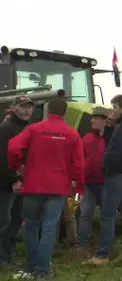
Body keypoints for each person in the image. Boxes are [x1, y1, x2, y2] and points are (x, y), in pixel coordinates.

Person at [7, 97, 84, 278]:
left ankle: (31, 266)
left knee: (31, 225)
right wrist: (79, 187)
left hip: (33, 185)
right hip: (58, 188)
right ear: (65, 113)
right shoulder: (72, 134)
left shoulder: (33, 129)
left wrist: (16, 165)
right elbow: (80, 164)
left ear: (48, 110)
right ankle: (43, 270)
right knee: (49, 227)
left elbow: (13, 148)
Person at [87, 94, 122, 265]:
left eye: (114, 107)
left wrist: (107, 168)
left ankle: (103, 255)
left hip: (119, 175)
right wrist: (110, 128)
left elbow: (117, 152)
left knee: (107, 215)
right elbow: (115, 143)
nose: (113, 111)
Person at [0, 96, 33, 271]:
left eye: (30, 107)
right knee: (3, 222)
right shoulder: (6, 128)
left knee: (15, 222)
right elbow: (3, 157)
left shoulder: (27, 128)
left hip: (23, 183)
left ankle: (7, 256)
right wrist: (14, 179)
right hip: (6, 185)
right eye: (23, 107)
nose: (27, 110)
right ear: (14, 108)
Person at [76, 107, 110, 251]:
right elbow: (78, 159)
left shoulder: (110, 139)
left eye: (96, 118)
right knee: (85, 214)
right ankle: (83, 244)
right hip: (88, 183)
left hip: (106, 183)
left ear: (105, 120)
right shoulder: (86, 138)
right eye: (92, 117)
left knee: (106, 215)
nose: (92, 120)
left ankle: (104, 244)